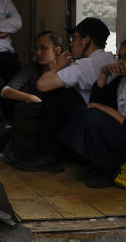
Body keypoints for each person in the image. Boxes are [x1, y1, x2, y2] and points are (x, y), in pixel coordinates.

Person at [17, 17, 115, 171]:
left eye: (74, 38)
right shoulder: (107, 58)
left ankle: (49, 155)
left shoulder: (87, 64)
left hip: (92, 120)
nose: (70, 43)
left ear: (86, 40)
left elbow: (42, 85)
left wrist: (58, 66)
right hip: (103, 121)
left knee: (54, 93)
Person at [59, 37, 126, 188]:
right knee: (82, 112)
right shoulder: (121, 80)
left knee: (94, 117)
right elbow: (95, 102)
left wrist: (106, 110)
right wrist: (104, 73)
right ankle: (95, 165)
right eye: (119, 57)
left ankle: (109, 170)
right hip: (117, 134)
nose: (121, 61)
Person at [0, 31, 66, 165]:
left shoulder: (69, 69)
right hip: (36, 115)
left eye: (44, 48)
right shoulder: (33, 68)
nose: (38, 52)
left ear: (57, 50)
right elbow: (6, 91)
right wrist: (31, 97)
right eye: (36, 49)